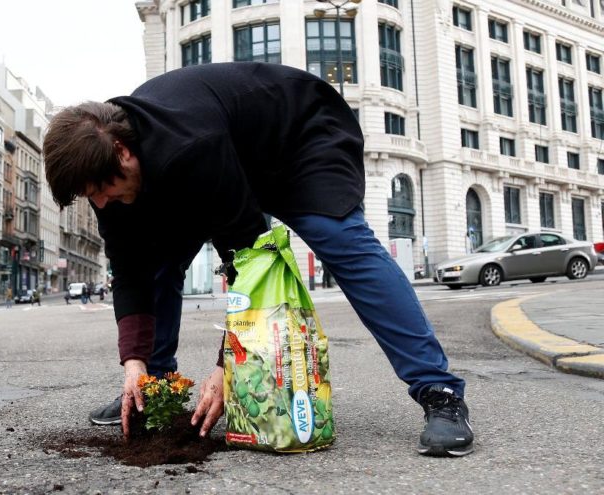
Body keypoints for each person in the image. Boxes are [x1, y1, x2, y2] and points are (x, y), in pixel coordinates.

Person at [43, 63, 473, 457]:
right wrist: (133, 364)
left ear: (122, 150)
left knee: (339, 238)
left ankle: (438, 390)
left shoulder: (189, 149)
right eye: (89, 195)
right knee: (155, 264)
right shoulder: (99, 173)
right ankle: (152, 388)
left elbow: (250, 262)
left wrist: (226, 368)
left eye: (100, 188)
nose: (99, 201)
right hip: (216, 161)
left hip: (297, 137)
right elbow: (130, 270)